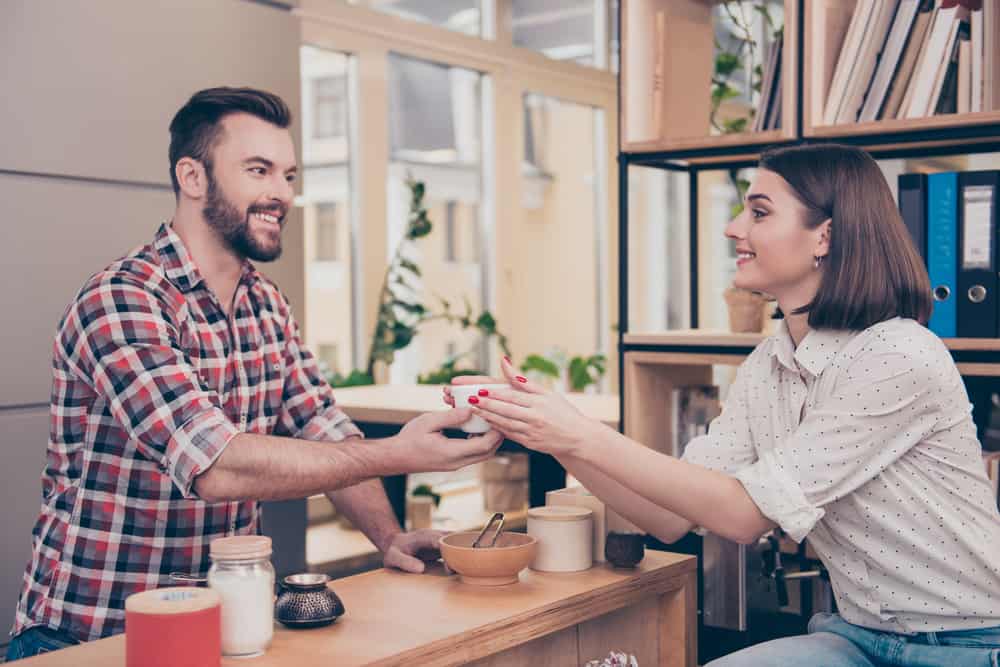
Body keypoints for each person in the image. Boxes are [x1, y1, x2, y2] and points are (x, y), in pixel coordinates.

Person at [450, 144, 1000, 666]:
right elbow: (669, 517)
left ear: (824, 236)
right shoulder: (771, 361)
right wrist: (548, 433)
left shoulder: (896, 353)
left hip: (971, 643)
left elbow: (742, 515)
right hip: (858, 637)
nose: (733, 227)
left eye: (759, 212)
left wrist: (579, 434)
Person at [6, 87, 502, 661]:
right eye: (259, 170)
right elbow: (215, 465)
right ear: (192, 177)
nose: (281, 194)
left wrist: (389, 538)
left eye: (288, 175)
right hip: (90, 639)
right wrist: (403, 453)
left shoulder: (267, 305)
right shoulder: (122, 300)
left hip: (222, 632)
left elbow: (324, 429)